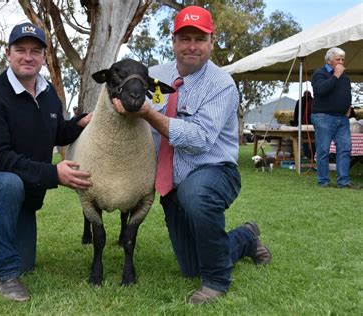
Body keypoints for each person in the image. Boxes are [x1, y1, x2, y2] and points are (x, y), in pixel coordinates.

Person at [112, 6, 272, 305]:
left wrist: (148, 112)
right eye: (185, 38)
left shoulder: (221, 84)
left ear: (211, 42)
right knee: (190, 267)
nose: (192, 46)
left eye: (200, 39)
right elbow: (122, 100)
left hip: (213, 170)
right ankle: (246, 237)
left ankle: (217, 281)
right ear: (173, 42)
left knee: (195, 196)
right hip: (172, 180)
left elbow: (199, 139)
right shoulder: (154, 76)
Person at [0, 22, 92, 302]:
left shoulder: (48, 93)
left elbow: (58, 132)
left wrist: (81, 123)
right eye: (20, 50)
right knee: (7, 184)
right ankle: (5, 275)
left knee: (25, 262)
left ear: (44, 56)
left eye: (35, 51)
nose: (28, 56)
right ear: (8, 54)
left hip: (24, 189)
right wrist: (54, 174)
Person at [311, 47, 359, 189]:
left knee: (345, 149)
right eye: (338, 59)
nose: (341, 62)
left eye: (343, 59)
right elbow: (321, 91)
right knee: (324, 150)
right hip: (323, 117)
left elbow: (346, 93)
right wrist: (336, 75)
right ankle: (323, 182)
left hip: (342, 118)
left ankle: (343, 181)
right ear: (329, 60)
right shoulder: (320, 74)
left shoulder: (345, 76)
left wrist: (348, 106)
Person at [292, 90, 315, 158]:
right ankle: (311, 154)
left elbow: (296, 113)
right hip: (310, 123)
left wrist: (296, 122)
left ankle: (307, 154)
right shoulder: (313, 101)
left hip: (304, 123)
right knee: (312, 138)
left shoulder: (300, 101)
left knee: (306, 138)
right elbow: (296, 113)